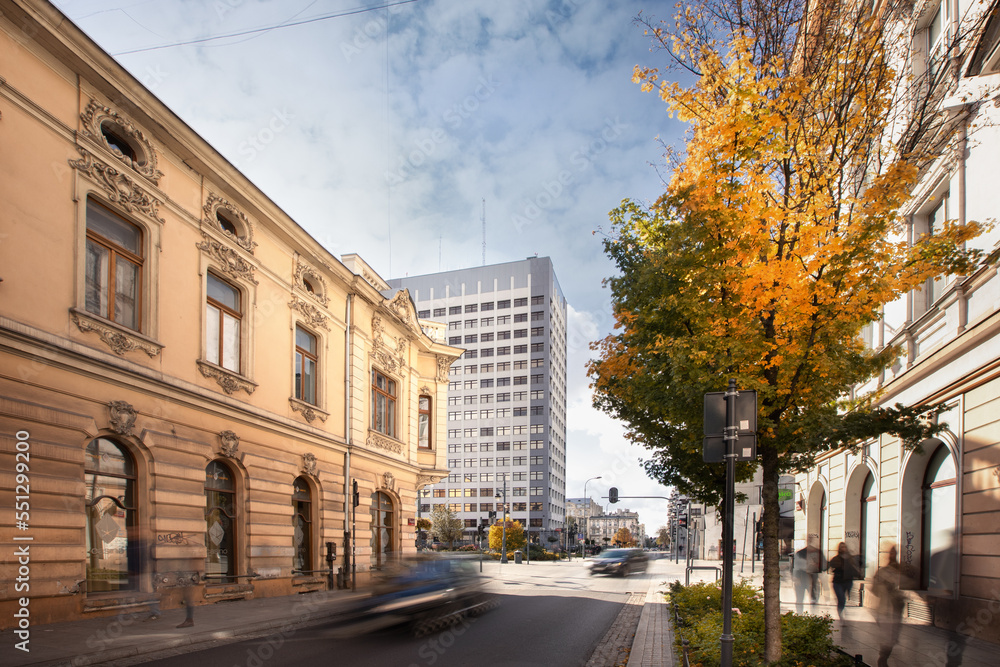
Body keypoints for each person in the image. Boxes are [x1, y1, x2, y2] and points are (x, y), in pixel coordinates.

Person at [871, 543, 913, 667]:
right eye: (893, 553)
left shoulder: (902, 572)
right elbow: (874, 589)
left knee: (892, 636)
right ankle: (883, 658)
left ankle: (884, 656)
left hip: (895, 609)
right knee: (888, 636)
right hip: (885, 609)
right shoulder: (883, 572)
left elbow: (910, 585)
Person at [828, 542, 858, 619]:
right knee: (841, 598)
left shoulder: (851, 559)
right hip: (838, 582)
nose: (843, 549)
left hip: (848, 581)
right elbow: (830, 566)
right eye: (842, 547)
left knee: (843, 598)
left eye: (844, 547)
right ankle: (841, 615)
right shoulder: (836, 558)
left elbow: (855, 567)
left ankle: (842, 610)